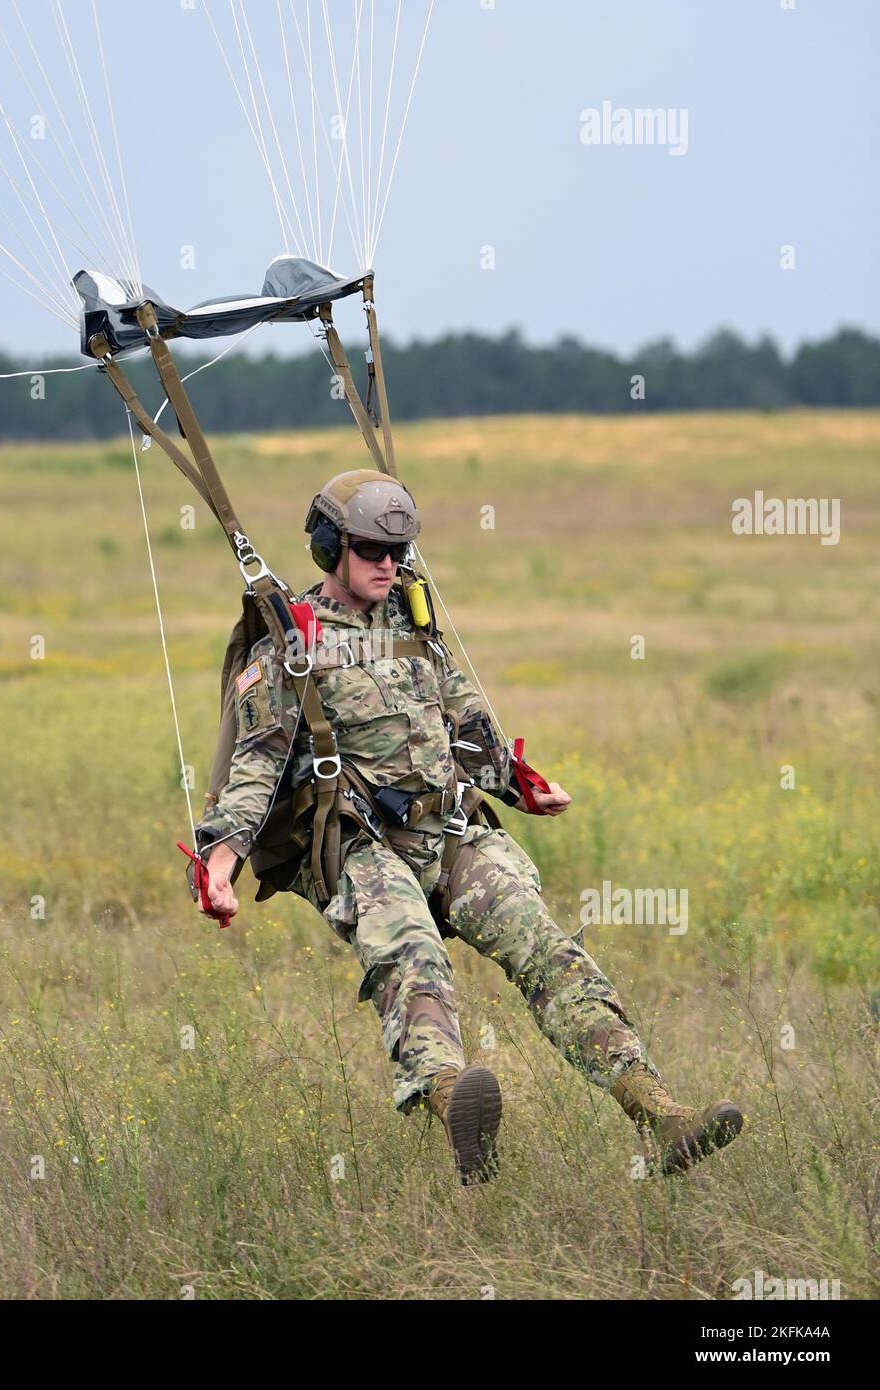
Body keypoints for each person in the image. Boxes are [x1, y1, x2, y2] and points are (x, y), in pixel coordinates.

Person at [193, 470, 744, 1184]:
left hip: (448, 833)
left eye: (397, 549)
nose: (386, 564)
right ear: (330, 547)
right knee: (411, 956)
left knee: (545, 947)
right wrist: (220, 863)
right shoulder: (291, 645)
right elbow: (255, 769)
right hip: (358, 847)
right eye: (368, 549)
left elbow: (466, 722)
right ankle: (457, 1105)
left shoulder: (414, 625)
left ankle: (659, 1114)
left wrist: (520, 785)